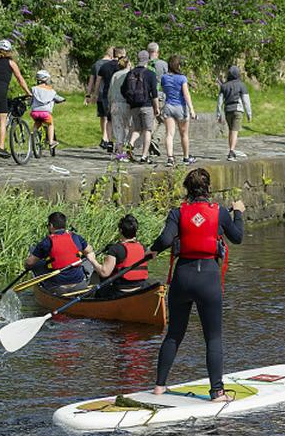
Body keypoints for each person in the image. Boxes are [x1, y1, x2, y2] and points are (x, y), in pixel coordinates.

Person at [150, 168, 245, 402]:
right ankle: (217, 392)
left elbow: (164, 240)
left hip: (183, 277)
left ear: (187, 190)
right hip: (208, 279)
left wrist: (152, 251)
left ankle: (160, 387)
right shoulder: (221, 212)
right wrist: (239, 214)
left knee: (173, 335)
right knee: (213, 338)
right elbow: (238, 237)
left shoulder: (177, 212)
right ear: (208, 188)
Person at [0, 39, 31, 158]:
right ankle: (1, 148)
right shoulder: (11, 63)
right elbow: (20, 79)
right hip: (0, 92)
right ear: (9, 51)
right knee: (3, 120)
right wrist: (28, 92)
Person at [25, 212, 94, 292]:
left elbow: (30, 263)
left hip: (58, 287)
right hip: (79, 284)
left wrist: (26, 265)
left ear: (51, 226)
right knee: (87, 258)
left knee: (37, 262)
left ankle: (44, 288)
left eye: (47, 225)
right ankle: (86, 281)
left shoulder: (46, 242)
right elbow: (90, 250)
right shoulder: (75, 237)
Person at [85, 214, 151, 297]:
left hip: (121, 291)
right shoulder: (143, 248)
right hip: (140, 288)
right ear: (135, 231)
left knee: (100, 288)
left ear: (120, 230)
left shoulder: (115, 249)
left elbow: (104, 272)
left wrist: (92, 260)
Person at [123, 50, 160, 164]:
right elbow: (154, 93)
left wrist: (130, 101)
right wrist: (156, 107)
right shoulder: (150, 74)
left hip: (134, 106)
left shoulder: (130, 73)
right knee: (148, 130)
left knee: (137, 129)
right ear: (148, 60)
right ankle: (144, 156)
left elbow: (123, 89)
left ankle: (130, 144)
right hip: (147, 105)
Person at [161, 55, 197, 166]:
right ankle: (186, 157)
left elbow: (164, 90)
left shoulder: (164, 77)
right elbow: (186, 94)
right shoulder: (182, 78)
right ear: (178, 66)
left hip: (168, 106)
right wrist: (191, 109)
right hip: (180, 107)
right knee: (184, 134)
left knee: (169, 134)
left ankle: (170, 158)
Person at [94, 47, 126, 153]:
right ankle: (119, 143)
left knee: (109, 119)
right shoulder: (122, 66)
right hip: (120, 95)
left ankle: (109, 141)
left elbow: (98, 81)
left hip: (106, 95)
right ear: (122, 54)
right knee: (120, 120)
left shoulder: (104, 66)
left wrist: (95, 94)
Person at [216, 66, 251, 162]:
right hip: (238, 110)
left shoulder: (224, 86)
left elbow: (219, 102)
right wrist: (249, 114)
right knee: (235, 131)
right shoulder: (241, 85)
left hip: (227, 110)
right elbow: (246, 100)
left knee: (231, 130)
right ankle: (231, 152)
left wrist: (218, 114)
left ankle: (231, 149)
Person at [29, 70, 65, 154]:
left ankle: (32, 135)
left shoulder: (34, 89)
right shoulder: (51, 91)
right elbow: (58, 98)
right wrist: (63, 100)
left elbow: (30, 99)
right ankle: (51, 141)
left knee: (37, 123)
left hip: (34, 112)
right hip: (45, 114)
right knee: (50, 124)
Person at [146, 42, 169, 158]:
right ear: (157, 52)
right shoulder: (163, 64)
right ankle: (155, 140)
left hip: (146, 96)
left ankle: (149, 142)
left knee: (152, 121)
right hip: (160, 95)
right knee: (164, 121)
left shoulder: (144, 63)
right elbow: (167, 80)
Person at [108, 55, 132, 161]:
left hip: (115, 103)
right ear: (129, 64)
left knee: (118, 128)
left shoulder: (115, 75)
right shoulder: (129, 74)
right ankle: (126, 152)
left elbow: (110, 91)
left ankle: (120, 152)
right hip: (126, 103)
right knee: (127, 127)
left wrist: (110, 103)